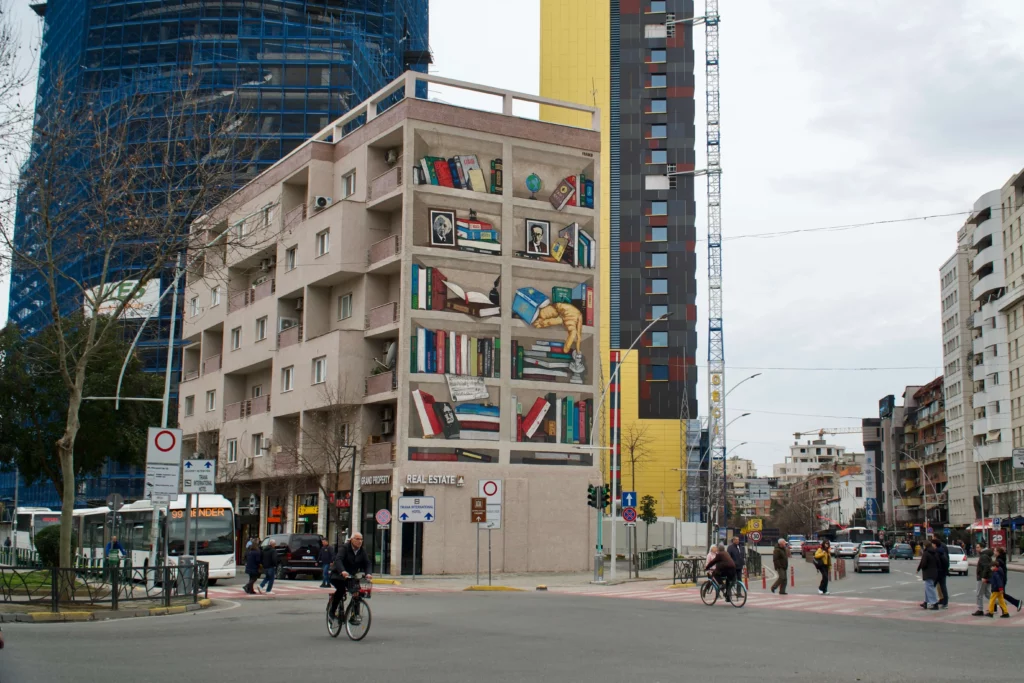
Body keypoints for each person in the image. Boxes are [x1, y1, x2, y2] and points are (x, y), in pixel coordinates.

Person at [329, 533, 372, 624]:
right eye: (357, 539)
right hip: (337, 575)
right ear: (352, 540)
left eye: (361, 539)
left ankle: (354, 615)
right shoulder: (344, 548)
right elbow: (338, 560)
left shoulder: (362, 551)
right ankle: (332, 612)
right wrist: (342, 571)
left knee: (357, 592)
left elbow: (367, 563)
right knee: (341, 590)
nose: (359, 541)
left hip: (351, 576)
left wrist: (368, 573)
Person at [994, 547, 1022, 612]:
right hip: (1002, 579)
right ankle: (995, 609)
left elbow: (998, 571)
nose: (994, 552)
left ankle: (1017, 602)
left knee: (1000, 594)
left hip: (1001, 580)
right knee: (997, 594)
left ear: (998, 552)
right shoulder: (1000, 558)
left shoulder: (999, 560)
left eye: (995, 551)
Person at [917, 539, 940, 610]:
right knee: (928, 587)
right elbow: (938, 562)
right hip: (934, 572)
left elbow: (923, 563)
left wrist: (920, 568)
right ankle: (926, 602)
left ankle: (934, 603)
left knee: (929, 588)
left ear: (925, 546)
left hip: (928, 573)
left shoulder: (926, 553)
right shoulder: (934, 552)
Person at [973, 544, 994, 617]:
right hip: (986, 577)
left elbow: (985, 567)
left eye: (978, 547)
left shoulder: (983, 556)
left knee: (979, 594)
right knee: (987, 593)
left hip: (982, 577)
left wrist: (983, 577)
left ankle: (980, 609)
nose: (976, 548)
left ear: (982, 548)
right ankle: (997, 604)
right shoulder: (985, 555)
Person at [933, 536, 950, 609]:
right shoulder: (942, 552)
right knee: (942, 587)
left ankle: (934, 602)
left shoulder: (937, 553)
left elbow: (940, 562)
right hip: (942, 572)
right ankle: (944, 602)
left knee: (932, 587)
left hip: (939, 572)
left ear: (935, 545)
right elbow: (946, 562)